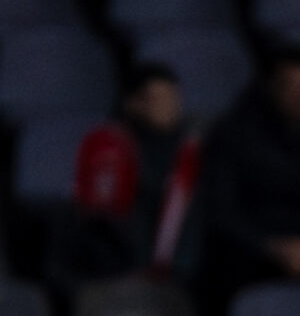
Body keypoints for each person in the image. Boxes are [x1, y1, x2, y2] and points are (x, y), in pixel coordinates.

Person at [201, 41, 300, 291]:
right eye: (294, 86)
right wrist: (270, 247)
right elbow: (222, 208)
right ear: (272, 86)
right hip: (254, 247)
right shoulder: (235, 132)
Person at [60, 62, 202, 285]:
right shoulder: (110, 148)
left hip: (180, 274)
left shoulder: (189, 150)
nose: (170, 106)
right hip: (117, 269)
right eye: (159, 99)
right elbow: (102, 220)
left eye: (173, 98)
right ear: (133, 103)